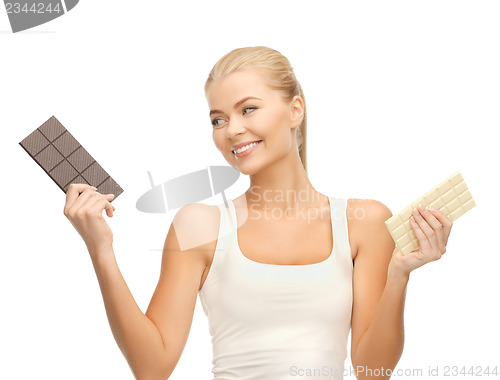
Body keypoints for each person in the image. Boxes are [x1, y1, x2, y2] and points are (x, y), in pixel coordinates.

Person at [63, 46, 453, 380]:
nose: (231, 130)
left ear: (295, 109)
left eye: (248, 110)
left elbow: (373, 371)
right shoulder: (200, 225)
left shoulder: (364, 223)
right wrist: (101, 250)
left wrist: (399, 274)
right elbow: (152, 367)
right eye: (218, 119)